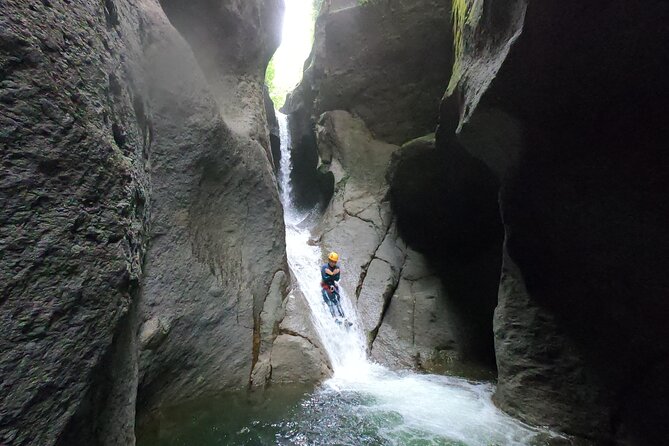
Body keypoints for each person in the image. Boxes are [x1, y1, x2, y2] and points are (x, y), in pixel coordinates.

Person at [321, 251, 344, 318]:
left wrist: (331, 274)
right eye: (331, 261)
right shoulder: (324, 267)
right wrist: (333, 274)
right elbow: (325, 278)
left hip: (332, 285)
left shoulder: (337, 268)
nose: (333, 263)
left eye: (334, 261)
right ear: (329, 260)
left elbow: (337, 278)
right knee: (330, 303)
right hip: (325, 286)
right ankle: (334, 318)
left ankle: (343, 317)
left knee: (337, 301)